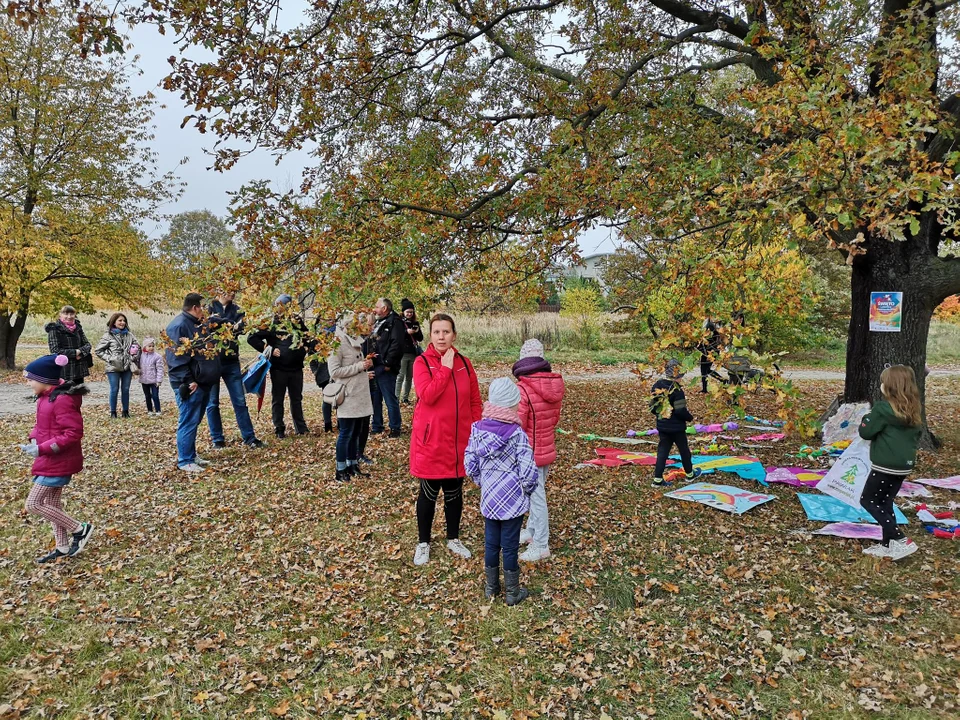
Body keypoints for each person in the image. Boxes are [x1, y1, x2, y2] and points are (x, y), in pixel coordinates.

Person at [410, 313, 482, 566]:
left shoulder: (465, 362)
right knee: (428, 493)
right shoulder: (421, 362)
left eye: (446, 332)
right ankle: (423, 543)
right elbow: (427, 396)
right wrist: (445, 368)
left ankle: (453, 537)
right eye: (437, 332)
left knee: (454, 491)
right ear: (431, 335)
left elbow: (474, 400)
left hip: (460, 439)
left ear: (454, 335)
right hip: (432, 440)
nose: (442, 337)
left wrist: (476, 430)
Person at [465, 377, 538, 606]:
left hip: (490, 498)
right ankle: (512, 592)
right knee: (509, 545)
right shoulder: (517, 435)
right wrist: (527, 490)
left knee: (491, 543)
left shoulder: (477, 430)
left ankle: (491, 588)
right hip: (513, 500)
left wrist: (482, 482)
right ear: (511, 405)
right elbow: (528, 470)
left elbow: (470, 463)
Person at [20, 354, 93, 563]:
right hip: (48, 458)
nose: (28, 384)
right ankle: (62, 547)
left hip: (59, 460)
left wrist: (43, 448)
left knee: (34, 504)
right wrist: (34, 440)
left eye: (30, 379)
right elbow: (42, 425)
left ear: (44, 380)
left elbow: (73, 432)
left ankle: (80, 528)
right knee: (53, 503)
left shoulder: (61, 400)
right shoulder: (46, 397)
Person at [858, 365, 923, 561]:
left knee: (868, 500)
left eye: (883, 382)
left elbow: (866, 432)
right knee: (885, 501)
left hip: (885, 465)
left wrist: (866, 418)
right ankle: (888, 545)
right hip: (903, 465)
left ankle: (899, 538)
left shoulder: (882, 409)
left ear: (890, 387)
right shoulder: (913, 410)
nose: (881, 385)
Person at [512, 339, 565, 562]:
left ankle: (541, 544)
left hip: (529, 452)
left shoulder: (522, 389)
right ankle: (532, 531)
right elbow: (553, 419)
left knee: (536, 497)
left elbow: (518, 423)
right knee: (537, 491)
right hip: (546, 447)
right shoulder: (554, 385)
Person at [166, 293, 221, 473]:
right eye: (203, 307)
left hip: (203, 381)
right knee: (188, 420)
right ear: (196, 307)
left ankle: (191, 454)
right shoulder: (179, 326)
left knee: (195, 420)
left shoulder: (199, 324)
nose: (205, 311)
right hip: (190, 383)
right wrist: (188, 380)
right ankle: (185, 460)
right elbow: (176, 358)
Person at [205, 292, 264, 449]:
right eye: (230, 290)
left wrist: (220, 323)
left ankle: (249, 437)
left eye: (234, 290)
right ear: (220, 290)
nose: (233, 293)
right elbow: (208, 327)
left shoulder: (238, 310)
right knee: (212, 403)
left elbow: (241, 329)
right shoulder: (207, 308)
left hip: (231, 362)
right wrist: (230, 325)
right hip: (212, 361)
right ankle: (217, 439)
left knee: (239, 401)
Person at [248, 294, 311, 438]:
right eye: (277, 305)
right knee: (278, 399)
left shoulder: (296, 320)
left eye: (281, 305)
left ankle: (300, 427)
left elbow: (307, 336)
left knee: (296, 398)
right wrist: (268, 348)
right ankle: (279, 428)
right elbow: (252, 338)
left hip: (296, 368)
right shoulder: (271, 322)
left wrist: (306, 348)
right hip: (279, 369)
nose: (278, 308)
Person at [327, 312, 374, 482]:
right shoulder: (337, 343)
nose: (362, 328)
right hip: (347, 395)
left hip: (359, 394)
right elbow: (334, 372)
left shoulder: (354, 341)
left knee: (355, 432)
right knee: (346, 433)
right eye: (358, 324)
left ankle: (352, 465)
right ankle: (340, 470)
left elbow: (355, 367)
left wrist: (365, 365)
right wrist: (359, 367)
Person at [650, 359, 702, 487]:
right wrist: (689, 417)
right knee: (684, 450)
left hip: (662, 426)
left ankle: (657, 479)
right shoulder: (677, 390)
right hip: (677, 428)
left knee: (662, 451)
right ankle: (690, 474)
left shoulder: (657, 385)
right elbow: (680, 411)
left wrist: (660, 416)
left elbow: (652, 407)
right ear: (678, 375)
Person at [369, 297, 406, 438]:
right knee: (375, 398)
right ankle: (377, 425)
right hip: (375, 365)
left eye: (377, 307)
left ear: (384, 308)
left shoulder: (395, 323)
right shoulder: (379, 322)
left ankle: (395, 427)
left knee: (390, 399)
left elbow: (397, 345)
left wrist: (388, 363)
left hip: (386, 367)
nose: (374, 309)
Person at [94, 313, 139, 418]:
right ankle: (113, 412)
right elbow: (98, 350)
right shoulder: (108, 335)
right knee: (114, 389)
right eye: (120, 320)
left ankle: (126, 411)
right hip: (113, 367)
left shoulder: (130, 335)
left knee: (126, 389)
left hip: (127, 366)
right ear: (114, 322)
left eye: (124, 321)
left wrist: (133, 355)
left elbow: (137, 347)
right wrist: (110, 359)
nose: (122, 323)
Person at [45, 305, 93, 383]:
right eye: (66, 314)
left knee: (78, 392)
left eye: (71, 314)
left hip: (79, 368)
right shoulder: (54, 329)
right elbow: (55, 351)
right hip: (64, 369)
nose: (69, 316)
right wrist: (75, 352)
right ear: (60, 314)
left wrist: (80, 353)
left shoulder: (78, 327)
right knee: (64, 394)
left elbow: (87, 345)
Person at [395, 298, 423, 405]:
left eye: (411, 312)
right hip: (402, 353)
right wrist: (406, 332)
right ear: (403, 312)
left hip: (413, 353)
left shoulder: (415, 323)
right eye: (407, 312)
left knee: (409, 377)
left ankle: (405, 397)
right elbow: (396, 337)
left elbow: (420, 338)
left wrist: (415, 332)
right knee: (400, 376)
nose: (409, 314)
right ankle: (396, 397)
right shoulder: (399, 323)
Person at [138, 337, 165, 416]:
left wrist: (159, 380)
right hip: (144, 380)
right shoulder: (141, 356)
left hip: (154, 380)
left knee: (155, 395)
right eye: (149, 346)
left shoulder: (157, 357)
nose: (151, 348)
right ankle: (149, 410)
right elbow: (137, 364)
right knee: (147, 396)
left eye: (153, 346)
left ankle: (158, 410)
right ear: (144, 347)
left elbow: (160, 369)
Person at [697, 318, 725, 393]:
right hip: (710, 351)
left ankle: (705, 389)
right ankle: (722, 380)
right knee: (706, 370)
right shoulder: (715, 327)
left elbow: (706, 339)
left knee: (704, 370)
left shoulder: (710, 325)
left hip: (708, 352)